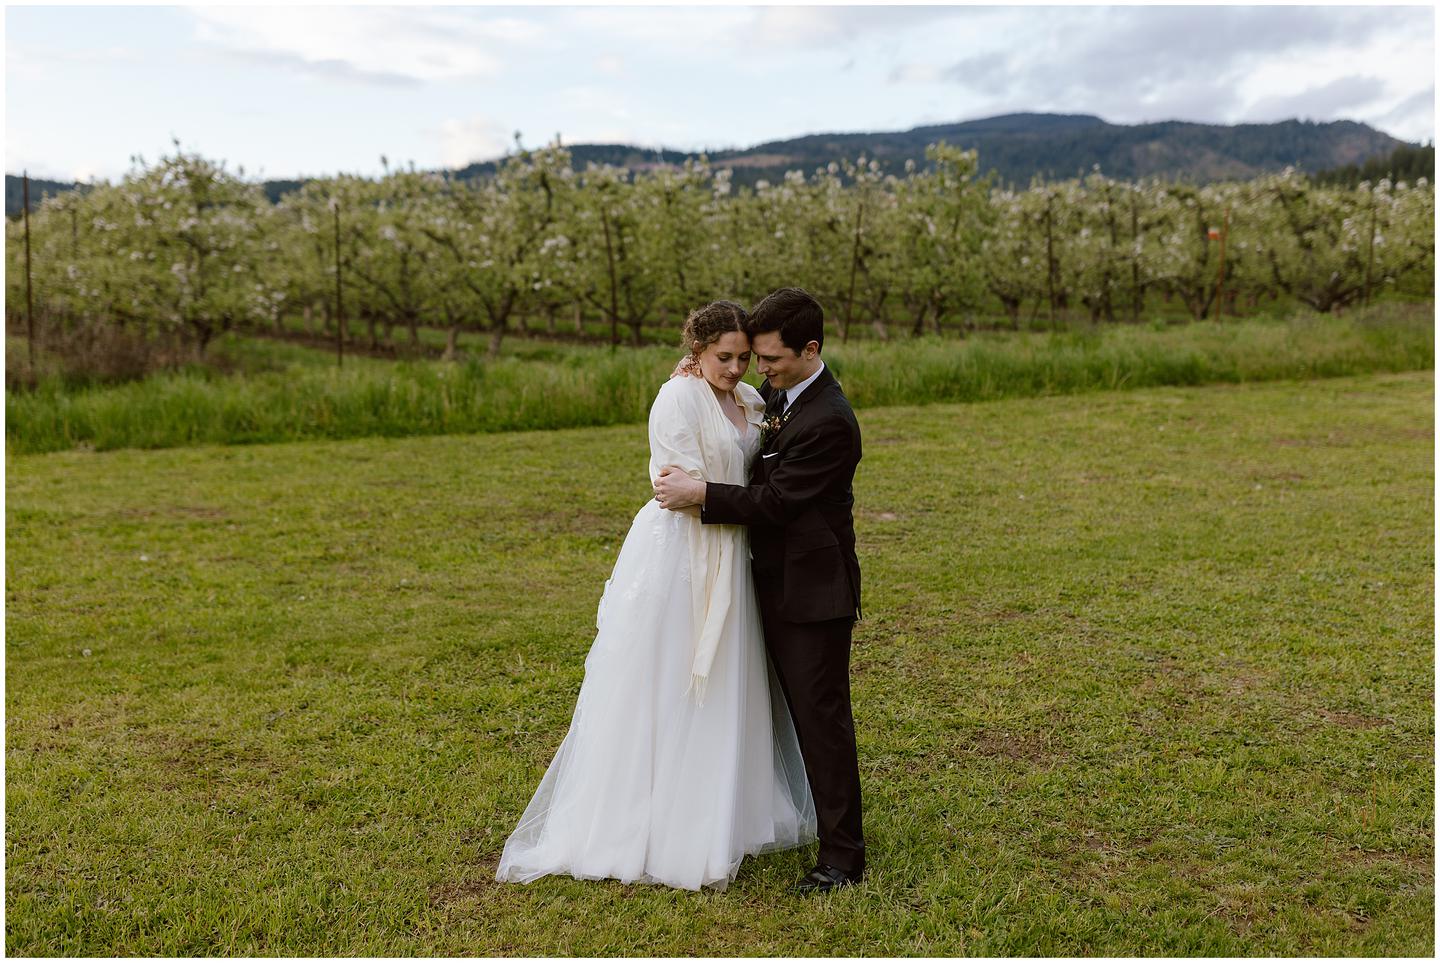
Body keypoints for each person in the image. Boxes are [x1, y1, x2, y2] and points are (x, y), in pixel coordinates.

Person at [495, 300, 816, 892]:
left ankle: (726, 810)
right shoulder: (677, 398)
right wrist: (717, 497)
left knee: (727, 675)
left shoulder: (748, 401)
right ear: (697, 351)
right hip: (683, 555)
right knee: (671, 675)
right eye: (724, 357)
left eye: (745, 357)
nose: (736, 368)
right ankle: (653, 820)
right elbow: (677, 487)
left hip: (733, 548)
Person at [653, 287, 865, 894]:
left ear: (810, 350)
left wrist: (701, 495)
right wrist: (698, 374)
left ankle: (842, 859)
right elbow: (738, 407)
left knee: (820, 720)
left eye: (769, 359)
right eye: (751, 358)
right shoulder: (780, 393)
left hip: (810, 591)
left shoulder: (829, 421)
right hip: (762, 581)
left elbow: (775, 502)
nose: (758, 372)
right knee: (779, 711)